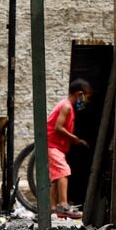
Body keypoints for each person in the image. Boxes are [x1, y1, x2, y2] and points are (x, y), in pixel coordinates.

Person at [47, 79, 93, 218]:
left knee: (56, 178)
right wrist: (74, 139)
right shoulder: (66, 106)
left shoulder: (68, 107)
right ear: (80, 94)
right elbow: (58, 128)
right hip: (51, 144)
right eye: (87, 97)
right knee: (63, 171)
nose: (86, 101)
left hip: (55, 145)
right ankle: (64, 205)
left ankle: (53, 208)